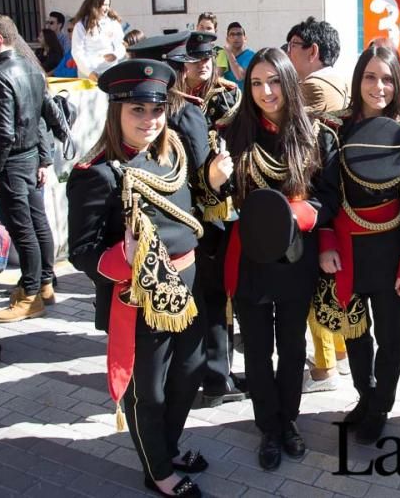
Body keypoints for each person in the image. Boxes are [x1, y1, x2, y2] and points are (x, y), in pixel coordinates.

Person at [67, 59, 222, 497]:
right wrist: (123, 256)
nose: (149, 120)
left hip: (188, 284)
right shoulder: (96, 174)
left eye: (156, 110)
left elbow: (192, 208)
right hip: (139, 294)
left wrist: (215, 178)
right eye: (137, 110)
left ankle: (166, 447)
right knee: (148, 392)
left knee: (189, 372)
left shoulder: (173, 153)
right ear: (116, 111)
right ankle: (158, 471)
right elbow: (82, 252)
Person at [209, 48, 338, 470]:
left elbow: (331, 195)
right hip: (250, 257)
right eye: (257, 83)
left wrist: (303, 212)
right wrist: (215, 182)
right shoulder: (231, 132)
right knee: (258, 350)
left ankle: (290, 422)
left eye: (275, 81)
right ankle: (268, 425)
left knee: (292, 346)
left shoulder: (315, 134)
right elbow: (215, 198)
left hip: (296, 256)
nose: (266, 91)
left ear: (289, 81)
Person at [127, 32, 246, 409]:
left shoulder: (138, 117)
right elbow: (203, 176)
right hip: (197, 227)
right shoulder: (185, 111)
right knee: (211, 302)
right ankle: (215, 377)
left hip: (157, 233)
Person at [316, 45, 400, 445]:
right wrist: (326, 242)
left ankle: (381, 406)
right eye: (370, 77)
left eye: (386, 78)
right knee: (354, 333)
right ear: (358, 79)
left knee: (391, 336)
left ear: (397, 84)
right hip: (346, 251)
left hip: (391, 252)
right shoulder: (335, 129)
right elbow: (325, 192)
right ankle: (365, 396)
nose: (378, 86)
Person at [0, 15, 57, 323]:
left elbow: (4, 130)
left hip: (14, 160)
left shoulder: (1, 73)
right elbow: (38, 121)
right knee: (36, 223)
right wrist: (43, 157)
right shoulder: (31, 67)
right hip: (29, 157)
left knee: (24, 229)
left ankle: (32, 295)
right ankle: (43, 284)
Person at [286, 16, 349, 392]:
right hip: (341, 200)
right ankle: (338, 354)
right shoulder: (342, 82)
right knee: (330, 282)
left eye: (292, 44)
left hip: (316, 197)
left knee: (313, 285)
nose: (287, 51)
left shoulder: (311, 88)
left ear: (312, 50)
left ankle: (323, 367)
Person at [287, 16, 349, 115]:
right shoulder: (339, 80)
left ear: (313, 51)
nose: (287, 53)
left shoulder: (313, 86)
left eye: (293, 45)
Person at [71, 0, 126, 81]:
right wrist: (89, 72)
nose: (107, 8)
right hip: (89, 74)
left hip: (110, 71)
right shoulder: (81, 25)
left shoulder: (113, 23)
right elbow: (77, 52)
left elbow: (120, 45)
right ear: (94, 6)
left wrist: (115, 54)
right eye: (104, 5)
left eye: (108, 5)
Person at [221, 22, 255, 89]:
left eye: (239, 34)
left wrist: (229, 53)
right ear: (227, 39)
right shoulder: (223, 55)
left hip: (245, 98)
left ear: (245, 39)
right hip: (229, 98)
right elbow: (216, 76)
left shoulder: (251, 55)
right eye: (232, 34)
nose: (236, 37)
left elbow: (240, 76)